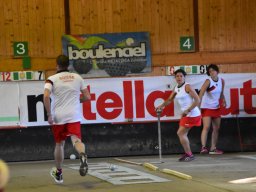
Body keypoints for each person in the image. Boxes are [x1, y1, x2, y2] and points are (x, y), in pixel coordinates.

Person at [43, 55, 91, 184]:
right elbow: (87, 97)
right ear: (68, 65)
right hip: (74, 114)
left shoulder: (51, 79)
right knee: (76, 139)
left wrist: (49, 114)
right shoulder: (77, 77)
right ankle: (82, 154)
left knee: (59, 144)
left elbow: (46, 97)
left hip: (59, 116)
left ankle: (59, 174)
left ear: (57, 65)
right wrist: (76, 100)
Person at [156, 69, 201, 162]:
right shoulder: (176, 87)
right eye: (177, 76)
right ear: (175, 78)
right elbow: (169, 100)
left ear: (184, 77)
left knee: (180, 133)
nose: (179, 78)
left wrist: (188, 110)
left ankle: (190, 154)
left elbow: (197, 100)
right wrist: (160, 106)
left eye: (181, 76)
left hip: (192, 114)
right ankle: (187, 153)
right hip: (185, 114)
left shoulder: (187, 87)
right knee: (183, 134)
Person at [199, 64, 226, 155]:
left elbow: (221, 93)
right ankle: (203, 147)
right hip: (206, 107)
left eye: (213, 70)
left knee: (216, 128)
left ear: (217, 71)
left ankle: (213, 148)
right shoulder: (208, 81)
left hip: (216, 107)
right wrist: (198, 106)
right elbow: (201, 93)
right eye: (210, 71)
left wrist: (224, 101)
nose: (211, 72)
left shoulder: (222, 81)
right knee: (206, 127)